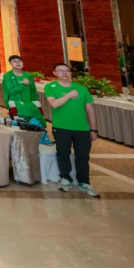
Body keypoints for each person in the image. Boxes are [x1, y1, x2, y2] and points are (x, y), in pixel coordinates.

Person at [45, 63, 100, 198]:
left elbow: (90, 110)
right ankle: (65, 178)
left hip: (82, 128)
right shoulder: (50, 87)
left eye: (67, 71)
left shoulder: (82, 89)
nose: (64, 73)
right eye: (61, 71)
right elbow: (54, 104)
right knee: (63, 153)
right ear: (54, 73)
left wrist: (93, 129)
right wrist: (69, 95)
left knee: (83, 156)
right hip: (61, 127)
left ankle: (84, 182)